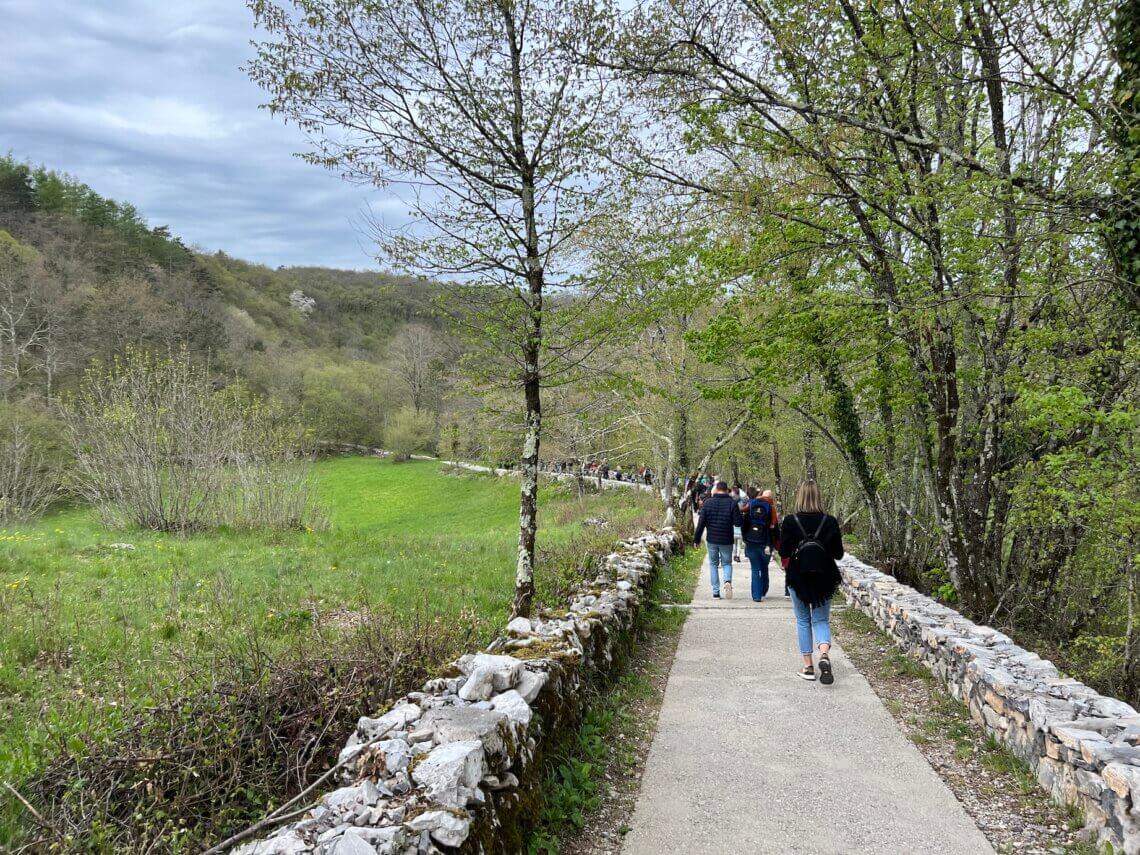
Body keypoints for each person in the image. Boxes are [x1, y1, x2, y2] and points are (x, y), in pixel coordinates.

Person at [778, 481, 844, 684]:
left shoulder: (790, 521)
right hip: (824, 577)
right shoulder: (830, 521)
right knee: (821, 620)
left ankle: (808, 667)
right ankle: (824, 653)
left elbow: (783, 552)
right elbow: (838, 554)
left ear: (799, 497)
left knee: (803, 620)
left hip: (798, 577)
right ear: (819, 497)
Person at [694, 480, 745, 600]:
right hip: (726, 539)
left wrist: (696, 539)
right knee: (727, 563)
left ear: (716, 489)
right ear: (727, 490)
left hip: (712, 539)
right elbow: (738, 523)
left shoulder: (708, 503)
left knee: (713, 564)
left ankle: (715, 592)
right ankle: (727, 581)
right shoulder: (732, 503)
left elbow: (701, 523)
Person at [743, 487, 776, 602]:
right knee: (764, 567)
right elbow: (775, 528)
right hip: (766, 543)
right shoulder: (771, 508)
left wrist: (745, 539)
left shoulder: (751, 505)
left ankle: (756, 596)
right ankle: (763, 590)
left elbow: (744, 523)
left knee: (755, 569)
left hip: (751, 542)